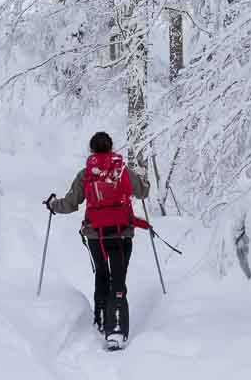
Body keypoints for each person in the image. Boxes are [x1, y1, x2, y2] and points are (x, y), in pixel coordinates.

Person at [43, 131, 150, 347]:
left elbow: (71, 204)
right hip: (122, 232)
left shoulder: (86, 174)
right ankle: (116, 330)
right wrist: (142, 178)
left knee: (102, 274)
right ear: (111, 147)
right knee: (118, 278)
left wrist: (53, 205)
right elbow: (143, 192)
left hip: (96, 235)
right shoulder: (122, 170)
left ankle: (100, 320)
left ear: (91, 149)